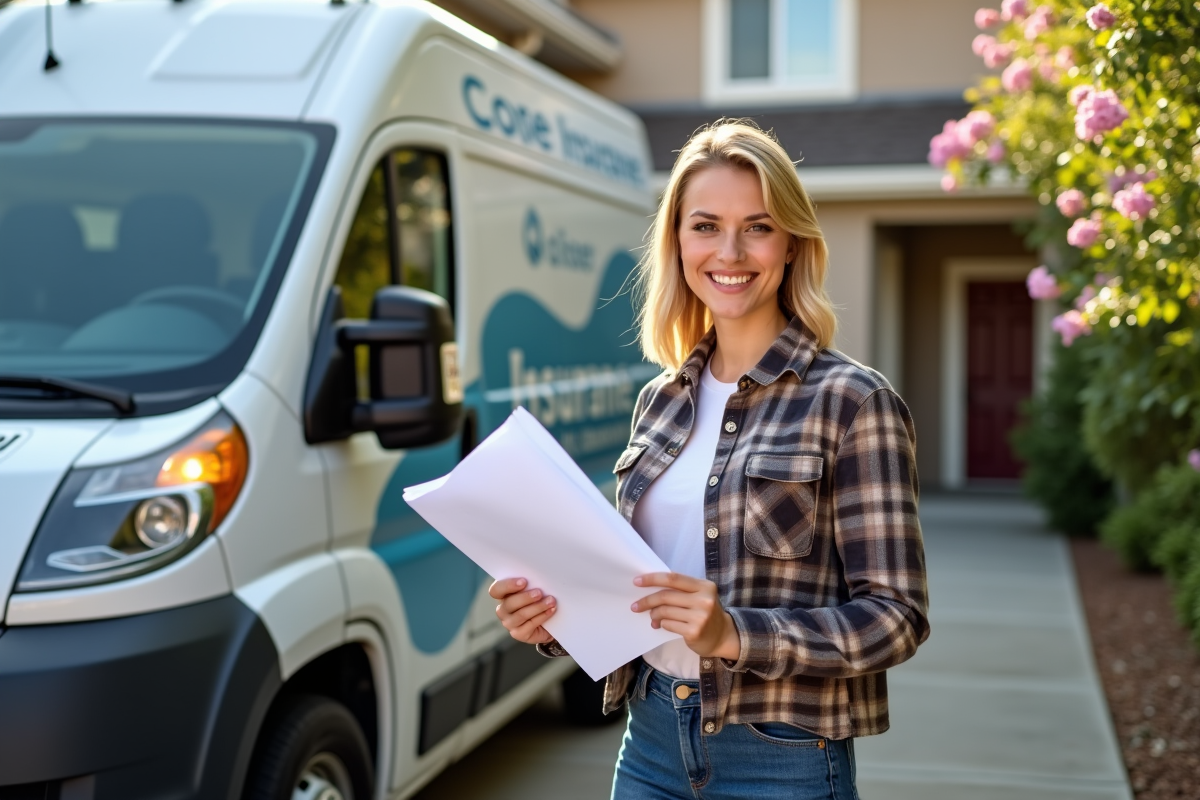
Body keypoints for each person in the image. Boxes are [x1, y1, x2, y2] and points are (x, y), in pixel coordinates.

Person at [489, 120, 929, 799]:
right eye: (705, 226)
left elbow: (896, 618)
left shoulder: (852, 402)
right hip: (650, 740)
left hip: (782, 754)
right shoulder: (660, 400)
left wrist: (735, 635)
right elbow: (631, 593)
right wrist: (554, 620)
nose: (730, 251)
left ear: (791, 244)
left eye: (757, 227)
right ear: (677, 242)